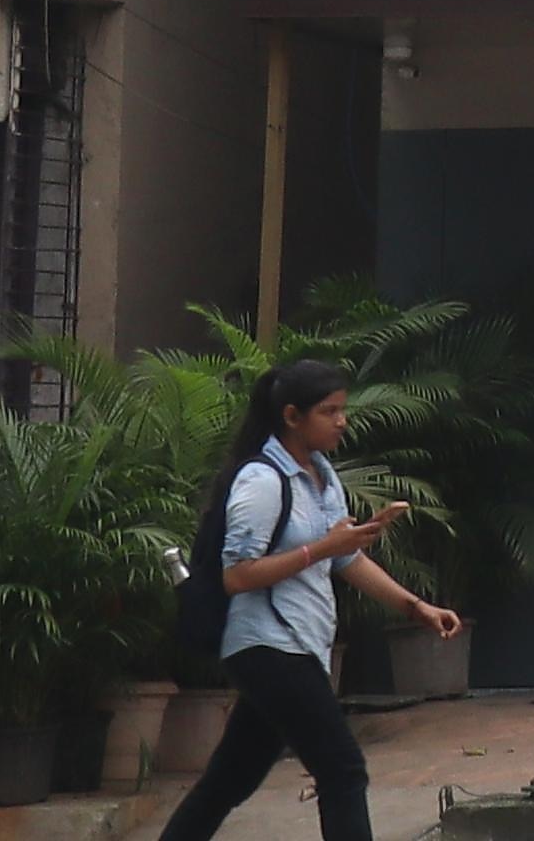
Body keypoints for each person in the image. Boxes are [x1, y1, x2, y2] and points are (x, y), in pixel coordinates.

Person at [156, 355, 462, 841]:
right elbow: (237, 575)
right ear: (292, 417)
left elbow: (347, 559)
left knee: (228, 781)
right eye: (329, 411)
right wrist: (322, 548)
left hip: (299, 644)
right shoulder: (262, 480)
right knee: (343, 769)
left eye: (342, 409)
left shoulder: (321, 474)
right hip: (268, 646)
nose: (342, 421)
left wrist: (415, 607)